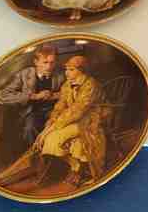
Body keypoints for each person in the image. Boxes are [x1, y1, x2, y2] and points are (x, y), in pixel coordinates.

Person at [34, 55, 107, 187]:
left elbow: (78, 110)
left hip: (90, 120)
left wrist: (53, 128)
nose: (67, 73)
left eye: (71, 69)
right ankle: (76, 166)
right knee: (51, 138)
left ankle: (77, 170)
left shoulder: (91, 84)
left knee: (52, 138)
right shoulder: (67, 85)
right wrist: (50, 123)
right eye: (66, 69)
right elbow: (60, 106)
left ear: (82, 71)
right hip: (72, 120)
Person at [0, 45, 65, 146]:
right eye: (45, 62)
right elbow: (5, 94)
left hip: (53, 111)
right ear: (36, 62)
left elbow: (69, 92)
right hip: (31, 111)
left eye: (52, 62)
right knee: (29, 128)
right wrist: (33, 96)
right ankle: (33, 152)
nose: (49, 67)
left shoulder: (61, 75)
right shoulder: (24, 74)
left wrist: (53, 95)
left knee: (59, 130)